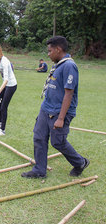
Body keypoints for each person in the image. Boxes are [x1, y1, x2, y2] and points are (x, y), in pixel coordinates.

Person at [21, 36, 89, 178]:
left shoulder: (69, 66)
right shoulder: (58, 64)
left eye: (50, 51)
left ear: (58, 49)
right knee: (39, 138)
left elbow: (68, 94)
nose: (48, 54)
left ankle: (80, 162)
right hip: (46, 108)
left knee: (58, 142)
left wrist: (61, 118)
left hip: (59, 112)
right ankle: (39, 170)